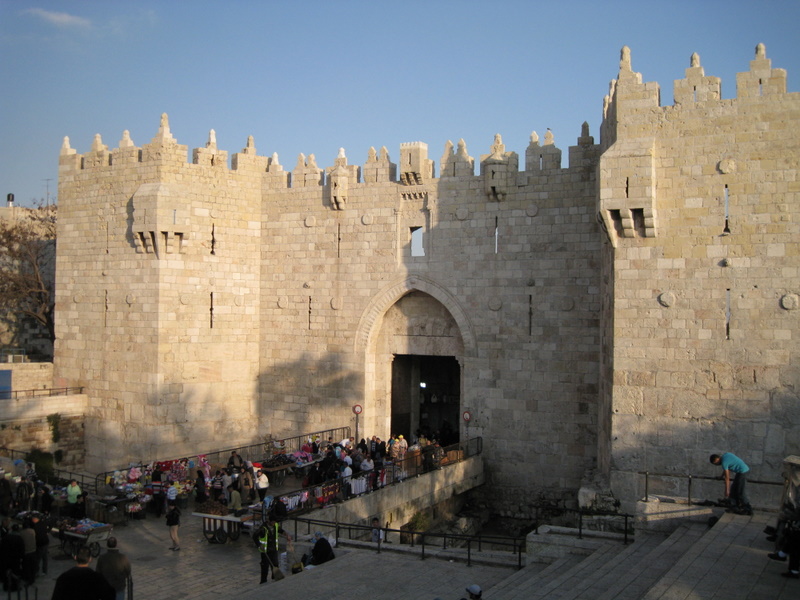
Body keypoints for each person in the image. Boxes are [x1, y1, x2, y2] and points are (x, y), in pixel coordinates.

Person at [255, 517, 291, 583]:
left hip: (273, 549)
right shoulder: (263, 528)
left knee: (275, 565)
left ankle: (274, 578)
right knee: (265, 567)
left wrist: (286, 535)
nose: (274, 523)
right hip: (265, 551)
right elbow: (255, 536)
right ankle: (263, 581)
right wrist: (259, 545)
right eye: (273, 522)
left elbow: (280, 530)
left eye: (275, 522)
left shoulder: (275, 525)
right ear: (269, 521)